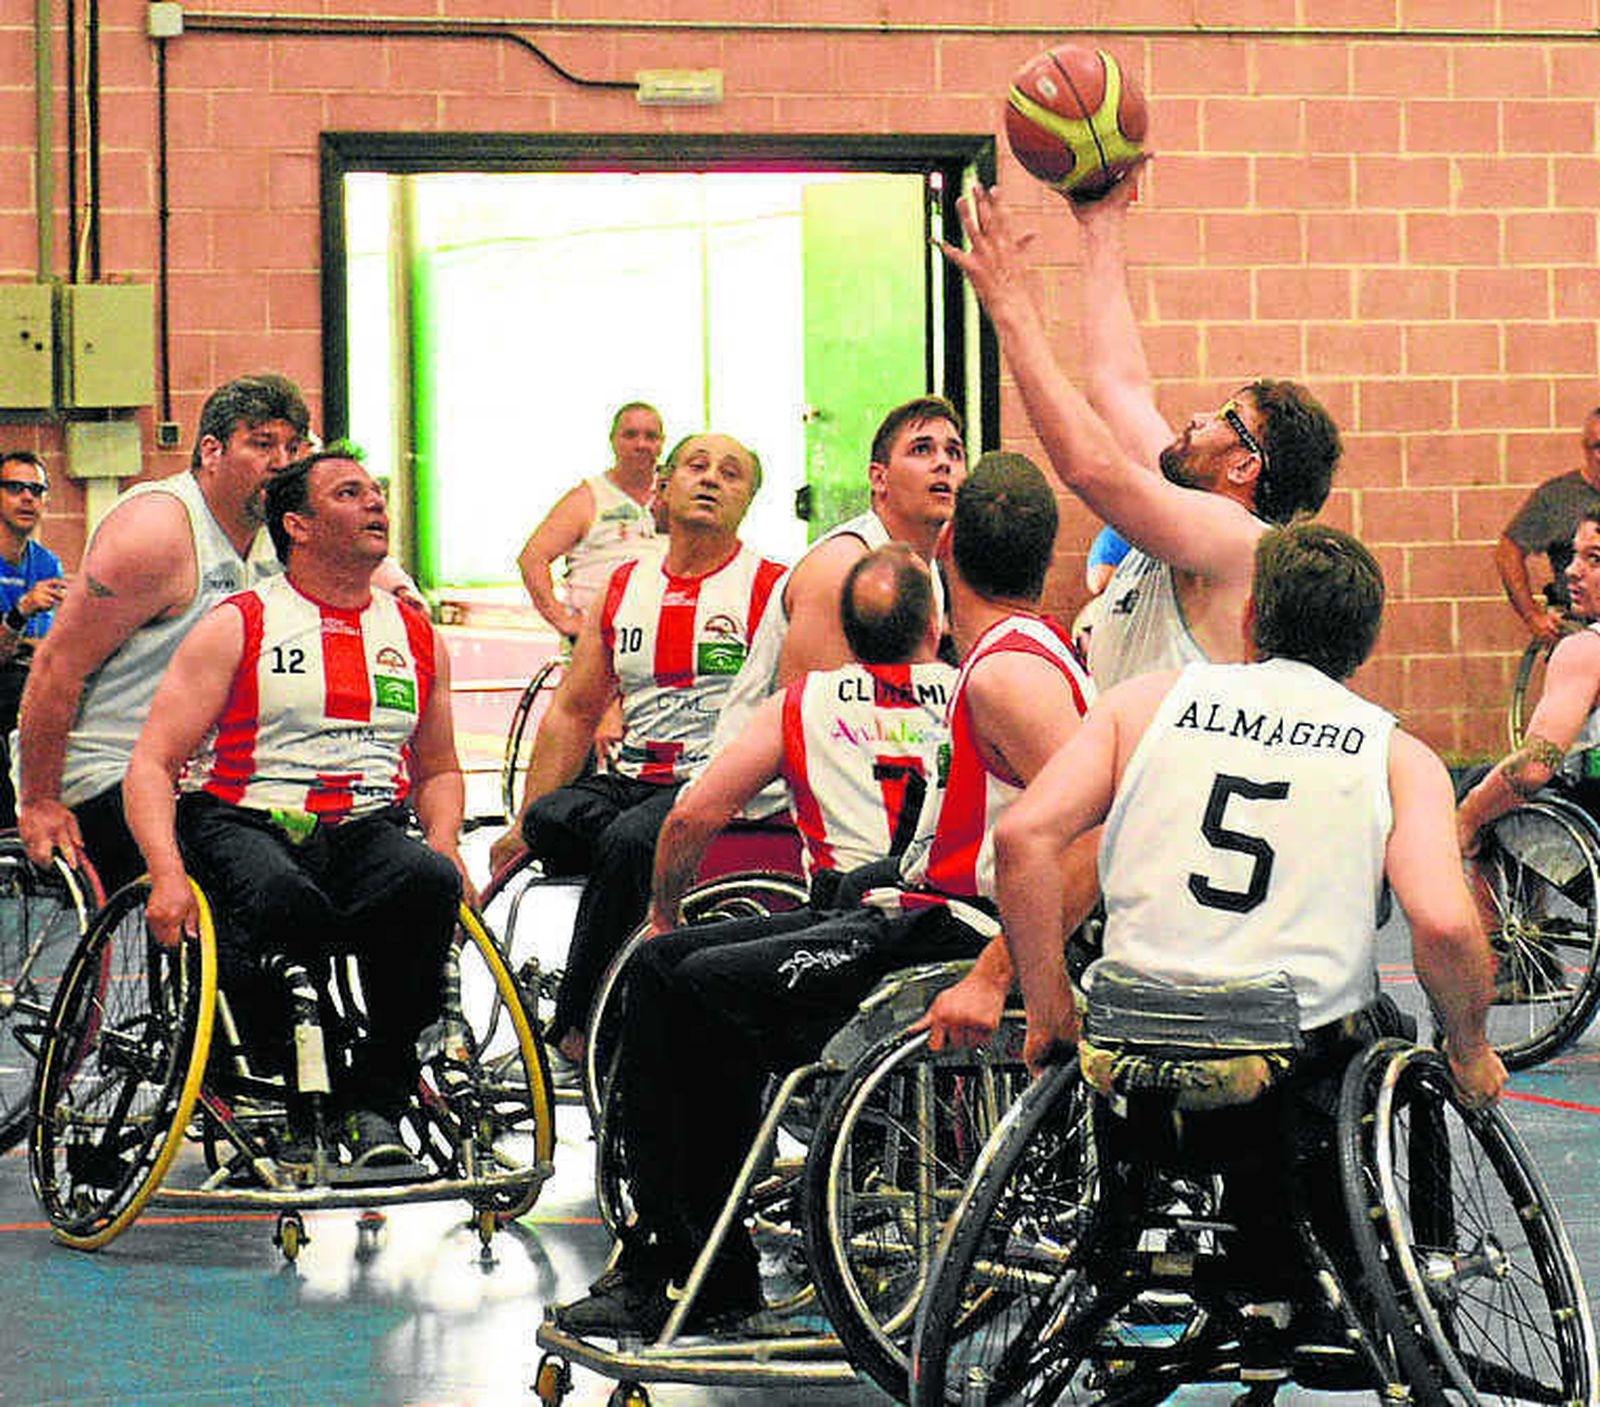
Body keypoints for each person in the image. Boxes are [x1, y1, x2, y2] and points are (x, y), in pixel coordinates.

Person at [554, 451, 1096, 1339]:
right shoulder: (991, 661)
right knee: (662, 968)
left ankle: (693, 1265)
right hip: (908, 907)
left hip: (951, 934)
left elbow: (1094, 839)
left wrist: (1001, 977)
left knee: (687, 984)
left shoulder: (1006, 673)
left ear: (948, 545)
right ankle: (680, 1253)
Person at [995, 518, 1506, 1100]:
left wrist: (1048, 1005)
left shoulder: (1137, 706)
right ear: (1365, 646)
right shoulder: (1399, 757)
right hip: (1291, 1057)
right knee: (1391, 1032)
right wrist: (1471, 1050)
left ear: (1250, 619)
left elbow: (1021, 839)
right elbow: (1444, 923)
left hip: (1133, 1041)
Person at [123, 447, 468, 1170]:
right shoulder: (239, 622)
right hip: (243, 816)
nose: (376, 503)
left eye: (377, 492)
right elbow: (152, 763)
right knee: (286, 899)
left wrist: (444, 840)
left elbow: (437, 767)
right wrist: (164, 872)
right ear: (298, 526)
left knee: (428, 882)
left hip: (366, 824)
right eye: (350, 493)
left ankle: (377, 1099)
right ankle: (289, 1074)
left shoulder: (414, 633)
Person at [941, 182, 1341, 688]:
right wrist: (1101, 220)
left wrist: (1011, 309)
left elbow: (1091, 468)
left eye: (1224, 415)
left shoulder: (1242, 542)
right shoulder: (1186, 510)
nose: (1198, 418)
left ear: (1244, 465)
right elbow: (1117, 387)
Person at [490, 432, 786, 1064]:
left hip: (717, 784)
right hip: (634, 776)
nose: (711, 480)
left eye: (731, 474)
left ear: (749, 500)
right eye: (697, 467)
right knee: (551, 822)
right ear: (662, 487)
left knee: (629, 844)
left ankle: (577, 1033)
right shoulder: (624, 585)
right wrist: (521, 822)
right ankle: (630, 990)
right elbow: (573, 710)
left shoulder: (772, 589)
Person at [18, 374, 310, 889]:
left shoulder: (282, 532)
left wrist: (398, 586)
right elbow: (55, 666)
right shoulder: (157, 533)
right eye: (262, 444)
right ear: (211, 451)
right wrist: (40, 800)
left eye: (293, 446)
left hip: (214, 777)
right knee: (247, 874)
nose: (282, 462)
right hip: (111, 770)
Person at [649, 542, 956, 929]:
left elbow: (688, 820)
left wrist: (662, 916)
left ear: (847, 631)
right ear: (935, 625)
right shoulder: (977, 692)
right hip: (955, 925)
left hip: (846, 929)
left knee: (660, 963)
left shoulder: (799, 703)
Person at [708, 396, 967, 769]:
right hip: (763, 808)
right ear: (879, 478)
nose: (943, 462)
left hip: (862, 786)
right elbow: (814, 733)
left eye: (954, 453)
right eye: (922, 449)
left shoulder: (927, 569)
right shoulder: (842, 568)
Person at [1461, 509, 1600, 842]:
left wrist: (1467, 816)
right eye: (1574, 556)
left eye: (1594, 559)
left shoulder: (1586, 650)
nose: (1571, 571)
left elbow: (1534, 766)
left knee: (1480, 789)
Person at [517, 401, 666, 642]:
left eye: (651, 436)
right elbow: (532, 558)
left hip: (661, 640)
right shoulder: (587, 497)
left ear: (662, 443)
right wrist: (563, 620)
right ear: (613, 440)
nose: (641, 444)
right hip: (599, 643)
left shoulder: (675, 496)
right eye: (630, 435)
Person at [0, 451, 67, 829]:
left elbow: (47, 650)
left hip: (26, 689)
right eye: (15, 488)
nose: (27, 498)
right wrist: (20, 611)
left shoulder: (47, 564)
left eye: (36, 490)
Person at [1494, 408, 1600, 645]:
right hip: (1583, 629)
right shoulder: (1557, 497)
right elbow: (1508, 552)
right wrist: (1532, 615)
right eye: (1599, 447)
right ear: (1586, 449)